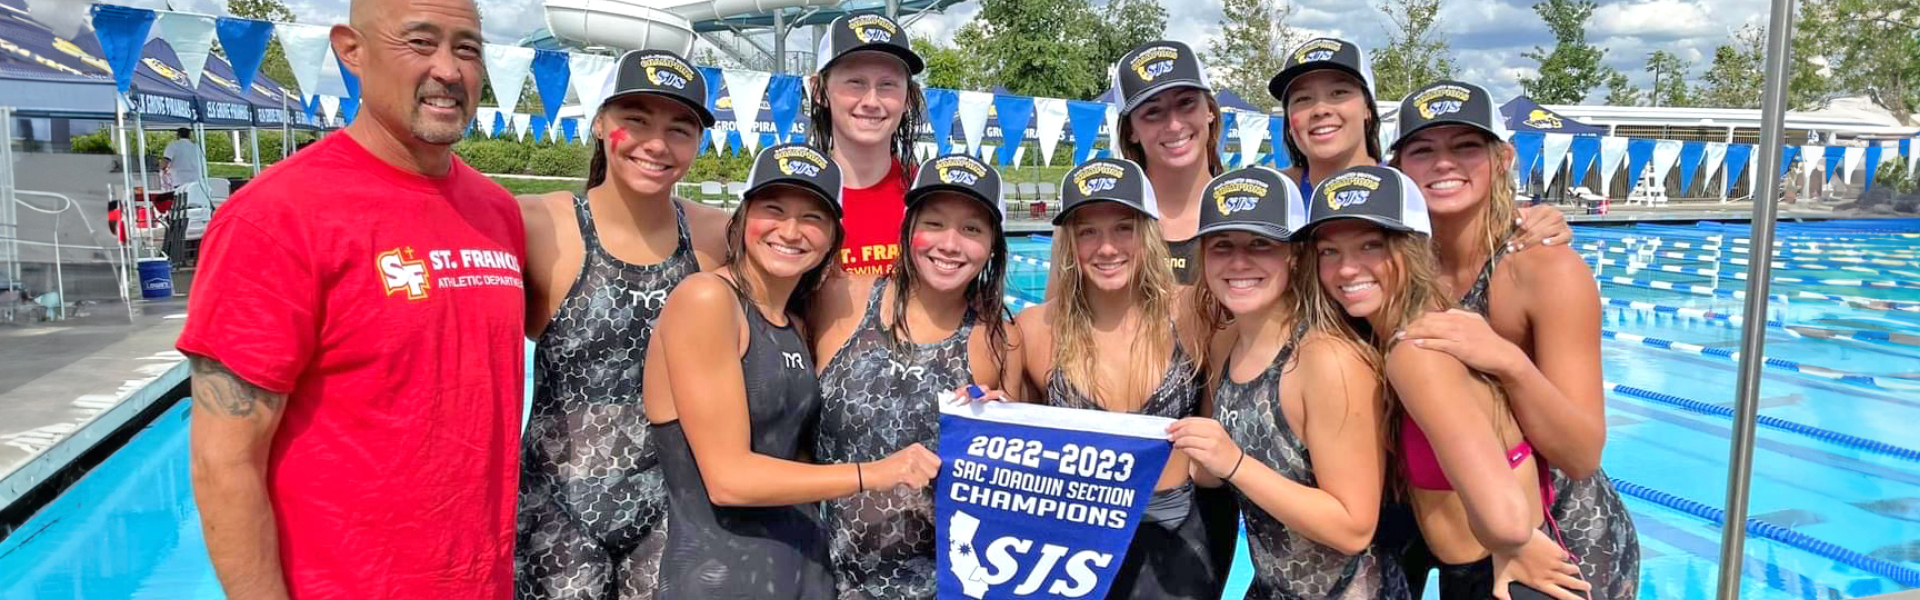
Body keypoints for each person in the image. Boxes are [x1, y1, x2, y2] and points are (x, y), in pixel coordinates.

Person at [177, 0, 525, 597]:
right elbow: (224, 464)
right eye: (420, 42)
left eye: (467, 48)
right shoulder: (276, 219)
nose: (449, 69)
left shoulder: (496, 213)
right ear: (351, 50)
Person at [642, 143, 941, 600]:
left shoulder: (794, 321)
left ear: (832, 237)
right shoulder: (707, 300)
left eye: (813, 218)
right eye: (774, 209)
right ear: (742, 219)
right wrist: (876, 472)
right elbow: (728, 480)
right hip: (720, 580)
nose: (791, 230)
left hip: (803, 571)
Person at [1389, 81, 1638, 600]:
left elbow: (1582, 452)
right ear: (1400, 167)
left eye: (1464, 147)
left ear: (1502, 159)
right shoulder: (1395, 265)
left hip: (1557, 541)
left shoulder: (1544, 269)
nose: (1442, 164)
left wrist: (1509, 361)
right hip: (1463, 535)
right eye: (1423, 150)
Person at [1300, 165, 1591, 600]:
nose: (1347, 268)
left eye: (1371, 246)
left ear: (1414, 249)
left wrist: (1512, 541)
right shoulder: (1431, 325)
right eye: (1329, 252)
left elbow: (1507, 518)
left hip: (1507, 577)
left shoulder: (1414, 351)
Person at [515, 49, 732, 600]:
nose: (656, 144)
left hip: (672, 510)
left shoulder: (719, 237)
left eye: (679, 129)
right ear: (599, 121)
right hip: (555, 513)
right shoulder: (537, 224)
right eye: (635, 120)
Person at [1165, 166, 1409, 600]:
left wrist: (1236, 464)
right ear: (1203, 256)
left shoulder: (1326, 361)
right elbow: (1208, 472)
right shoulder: (1225, 345)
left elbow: (1353, 527)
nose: (1239, 262)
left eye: (1260, 244)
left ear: (1295, 255)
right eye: (1223, 246)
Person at [808, 153, 1023, 599]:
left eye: (972, 229)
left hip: (935, 586)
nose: (950, 244)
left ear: (993, 246)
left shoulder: (997, 338)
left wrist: (999, 428)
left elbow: (1003, 493)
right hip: (822, 575)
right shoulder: (839, 298)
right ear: (908, 229)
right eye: (935, 223)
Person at [1013, 158, 1216, 599]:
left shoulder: (1194, 313)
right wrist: (981, 407)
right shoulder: (1034, 330)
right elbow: (1013, 456)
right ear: (1069, 243)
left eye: (1123, 228)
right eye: (1088, 231)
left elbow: (1220, 447)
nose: (1107, 248)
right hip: (1073, 550)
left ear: (1147, 232)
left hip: (1175, 544)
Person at [1268, 39, 1567, 253]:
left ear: (1368, 109)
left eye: (1338, 93)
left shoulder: (1412, 188)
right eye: (1303, 99)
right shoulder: (1271, 195)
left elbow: (1484, 230)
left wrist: (1539, 222)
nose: (1320, 109)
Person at [808, 13, 926, 275]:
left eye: (887, 84)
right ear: (819, 91)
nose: (872, 100)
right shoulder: (793, 197)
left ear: (909, 98)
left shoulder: (930, 195)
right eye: (855, 82)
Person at [1111, 40, 1226, 284]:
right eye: (1153, 112)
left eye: (1186, 103)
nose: (1174, 125)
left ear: (1210, 111)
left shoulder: (1256, 212)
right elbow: (1061, 319)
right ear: (1131, 130)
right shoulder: (1096, 221)